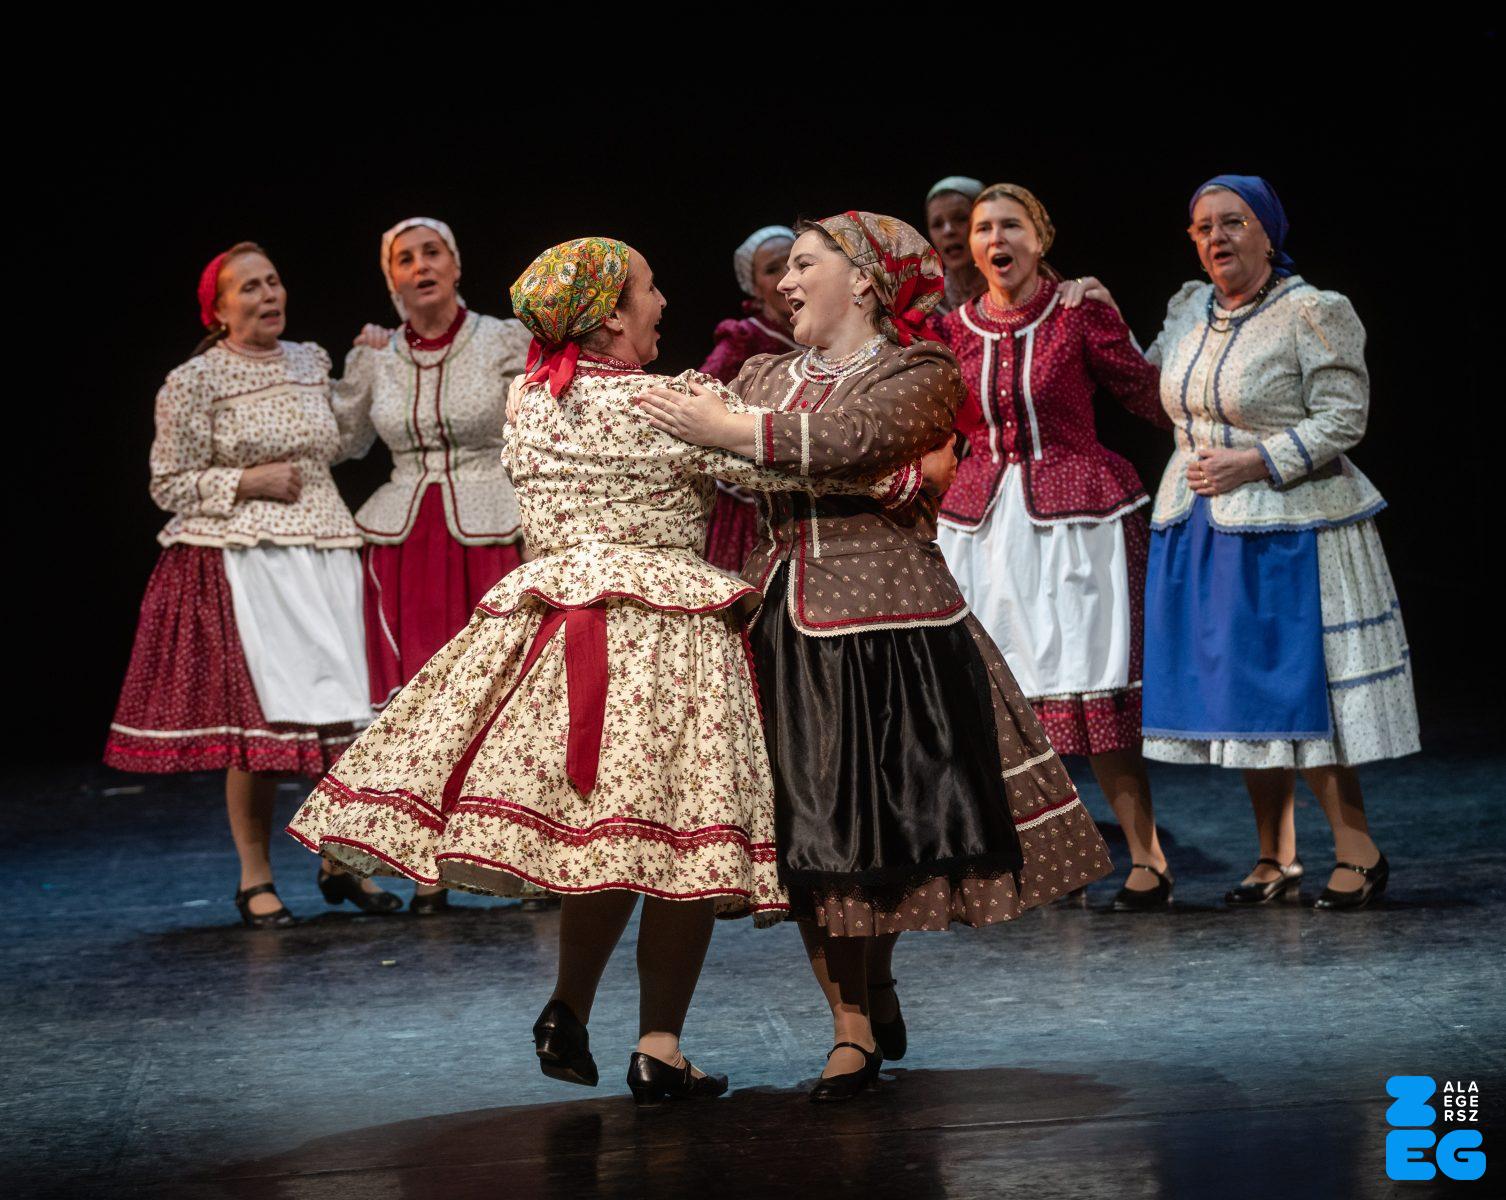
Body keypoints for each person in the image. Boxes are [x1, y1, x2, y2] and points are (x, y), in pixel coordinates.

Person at [287, 237, 923, 1102]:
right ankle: (659, 1044)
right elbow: (774, 467)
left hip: (557, 627)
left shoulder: (528, 399)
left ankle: (568, 1006)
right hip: (664, 637)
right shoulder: (673, 400)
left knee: (603, 839)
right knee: (678, 845)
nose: (663, 303)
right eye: (650, 290)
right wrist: (903, 475)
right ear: (613, 316)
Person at [635, 211, 1111, 1101]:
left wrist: (746, 436)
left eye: (803, 265)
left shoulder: (919, 370)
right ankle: (849, 1022)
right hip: (784, 618)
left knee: (885, 828)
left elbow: (852, 440)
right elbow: (735, 465)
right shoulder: (763, 372)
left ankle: (876, 978)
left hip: (894, 623)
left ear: (863, 278)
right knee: (813, 832)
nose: (785, 283)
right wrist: (840, 469)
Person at [1141, 175, 1419, 910]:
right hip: (1200, 519)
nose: (1217, 237)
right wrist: (1089, 312)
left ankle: (1358, 850)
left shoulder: (1313, 311)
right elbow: (1146, 381)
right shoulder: (1188, 309)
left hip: (1292, 523)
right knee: (1241, 697)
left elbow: (1344, 416)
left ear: (1268, 232)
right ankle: (1275, 855)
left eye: (1233, 222)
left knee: (1295, 691)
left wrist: (1256, 461)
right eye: (1203, 227)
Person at [105, 243, 399, 927]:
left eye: (273, 281)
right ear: (217, 310)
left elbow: (345, 442)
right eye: (250, 288)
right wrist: (246, 480)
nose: (268, 294)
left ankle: (342, 860)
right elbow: (168, 483)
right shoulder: (195, 380)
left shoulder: (309, 360)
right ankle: (255, 877)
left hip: (326, 548)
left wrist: (365, 367)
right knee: (262, 728)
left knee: (347, 717)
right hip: (250, 558)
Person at [935, 183, 1175, 910]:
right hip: (982, 526)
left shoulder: (1077, 313)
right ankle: (1047, 858)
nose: (994, 239)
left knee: (1090, 680)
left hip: (1079, 521)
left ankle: (1148, 856)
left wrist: (1122, 320)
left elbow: (1150, 398)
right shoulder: (951, 331)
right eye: (983, 228)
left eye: (1011, 226)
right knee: (1005, 699)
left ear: (1040, 240)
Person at [334, 217, 534, 915]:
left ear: (455, 265)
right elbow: (343, 442)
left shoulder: (504, 339)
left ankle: (521, 856)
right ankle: (427, 864)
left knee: (504, 696)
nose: (420, 266)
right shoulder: (378, 355)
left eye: (432, 253)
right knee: (423, 703)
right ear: (391, 278)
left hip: (492, 530)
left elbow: (542, 424)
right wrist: (353, 368)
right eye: (404, 258)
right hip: (404, 543)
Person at [700, 225, 800, 573]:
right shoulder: (746, 339)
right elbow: (697, 393)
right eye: (772, 269)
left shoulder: (822, 337)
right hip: (750, 504)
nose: (786, 276)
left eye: (794, 263)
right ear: (754, 287)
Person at [924, 176, 986, 317]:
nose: (948, 231)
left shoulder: (1014, 291)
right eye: (937, 224)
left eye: (961, 218)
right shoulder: (928, 306)